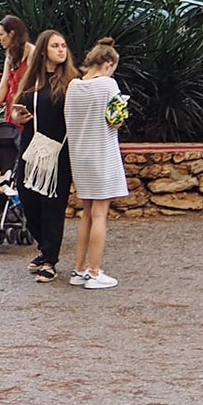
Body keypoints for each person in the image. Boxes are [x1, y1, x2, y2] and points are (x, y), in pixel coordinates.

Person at [66, 38, 128, 290]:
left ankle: (79, 269)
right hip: (102, 153)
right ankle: (94, 271)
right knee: (100, 214)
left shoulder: (73, 86)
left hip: (79, 156)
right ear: (109, 63)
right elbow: (116, 120)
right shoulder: (109, 85)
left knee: (87, 214)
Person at [17, 30, 77, 283]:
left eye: (63, 45)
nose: (61, 50)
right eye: (55, 46)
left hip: (59, 152)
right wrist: (17, 115)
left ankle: (50, 259)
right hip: (31, 149)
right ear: (43, 51)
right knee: (28, 199)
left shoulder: (73, 82)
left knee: (53, 205)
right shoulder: (32, 81)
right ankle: (44, 247)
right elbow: (17, 107)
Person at [0, 15, 34, 123]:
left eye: (1, 34)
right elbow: (3, 86)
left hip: (25, 111)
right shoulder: (10, 55)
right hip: (11, 109)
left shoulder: (32, 52)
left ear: (12, 33)